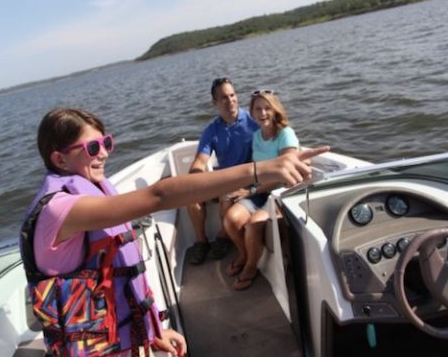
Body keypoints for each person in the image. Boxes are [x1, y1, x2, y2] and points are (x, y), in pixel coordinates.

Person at [20, 108, 324, 357]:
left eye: (106, 143)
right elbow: (159, 196)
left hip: (120, 343)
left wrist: (152, 332)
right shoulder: (59, 210)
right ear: (59, 159)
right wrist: (260, 170)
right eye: (92, 148)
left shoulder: (93, 191)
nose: (104, 155)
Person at [223, 90, 302, 291]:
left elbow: (284, 175)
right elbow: (257, 170)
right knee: (230, 219)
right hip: (259, 191)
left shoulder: (286, 134)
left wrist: (250, 192)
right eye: (258, 109)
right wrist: (245, 187)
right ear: (252, 113)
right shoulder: (257, 136)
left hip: (280, 195)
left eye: (267, 108)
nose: (263, 113)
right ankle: (244, 254)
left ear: (275, 110)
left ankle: (251, 266)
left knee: (253, 224)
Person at [186, 77, 259, 265]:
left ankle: (222, 238)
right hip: (222, 179)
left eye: (232, 95)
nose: (230, 100)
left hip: (245, 180)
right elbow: (200, 161)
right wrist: (196, 178)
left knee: (226, 196)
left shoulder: (253, 123)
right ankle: (201, 241)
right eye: (224, 97)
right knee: (191, 197)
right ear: (215, 102)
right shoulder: (211, 130)